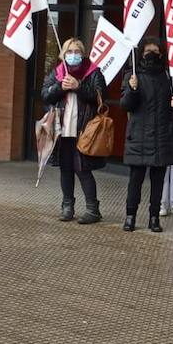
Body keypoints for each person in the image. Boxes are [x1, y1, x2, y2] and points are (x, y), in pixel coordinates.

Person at [40, 38, 109, 224]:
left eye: (77, 51)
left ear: (83, 53)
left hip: (84, 130)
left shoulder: (93, 72)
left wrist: (79, 87)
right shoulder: (57, 72)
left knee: (83, 169)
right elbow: (45, 95)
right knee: (66, 169)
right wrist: (59, 87)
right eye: (69, 52)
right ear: (63, 54)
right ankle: (67, 206)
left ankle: (93, 209)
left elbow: (101, 96)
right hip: (62, 131)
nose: (73, 55)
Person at [121, 37, 173, 232]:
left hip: (162, 136)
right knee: (135, 181)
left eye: (156, 52)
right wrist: (132, 89)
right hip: (139, 136)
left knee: (158, 182)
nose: (152, 55)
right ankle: (130, 216)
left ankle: (154, 218)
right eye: (148, 52)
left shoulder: (168, 76)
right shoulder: (133, 75)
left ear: (162, 54)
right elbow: (125, 105)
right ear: (141, 54)